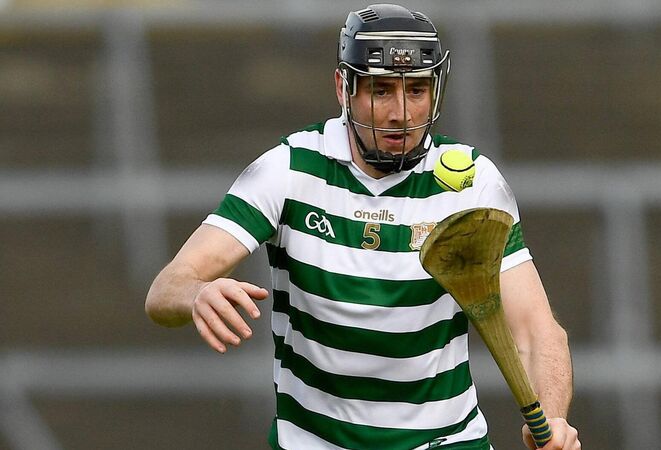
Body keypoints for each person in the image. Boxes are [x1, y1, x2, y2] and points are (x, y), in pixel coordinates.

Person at [145, 4, 580, 449]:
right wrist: (197, 293)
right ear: (343, 87)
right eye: (381, 90)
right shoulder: (289, 169)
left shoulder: (472, 182)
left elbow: (537, 330)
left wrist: (553, 418)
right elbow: (166, 288)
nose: (401, 113)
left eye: (417, 90)